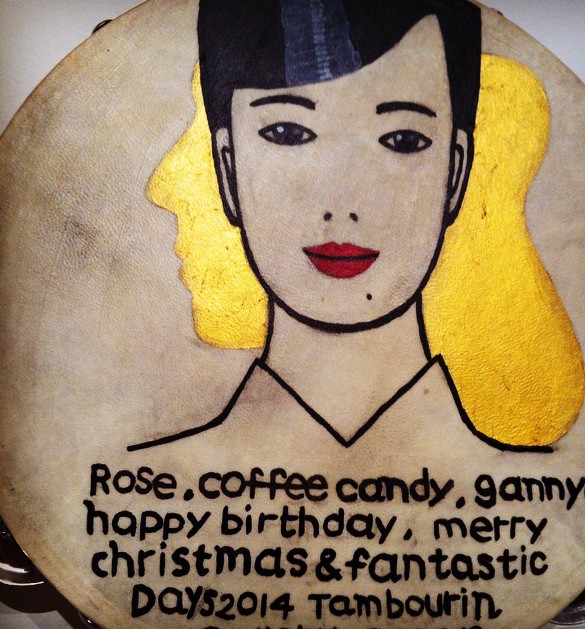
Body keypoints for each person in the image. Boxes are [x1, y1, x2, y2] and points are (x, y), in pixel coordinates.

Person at [128, 0, 554, 453]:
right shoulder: (155, 482)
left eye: (401, 140)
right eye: (288, 133)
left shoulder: (531, 489)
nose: (343, 200)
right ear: (227, 170)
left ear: (455, 173)